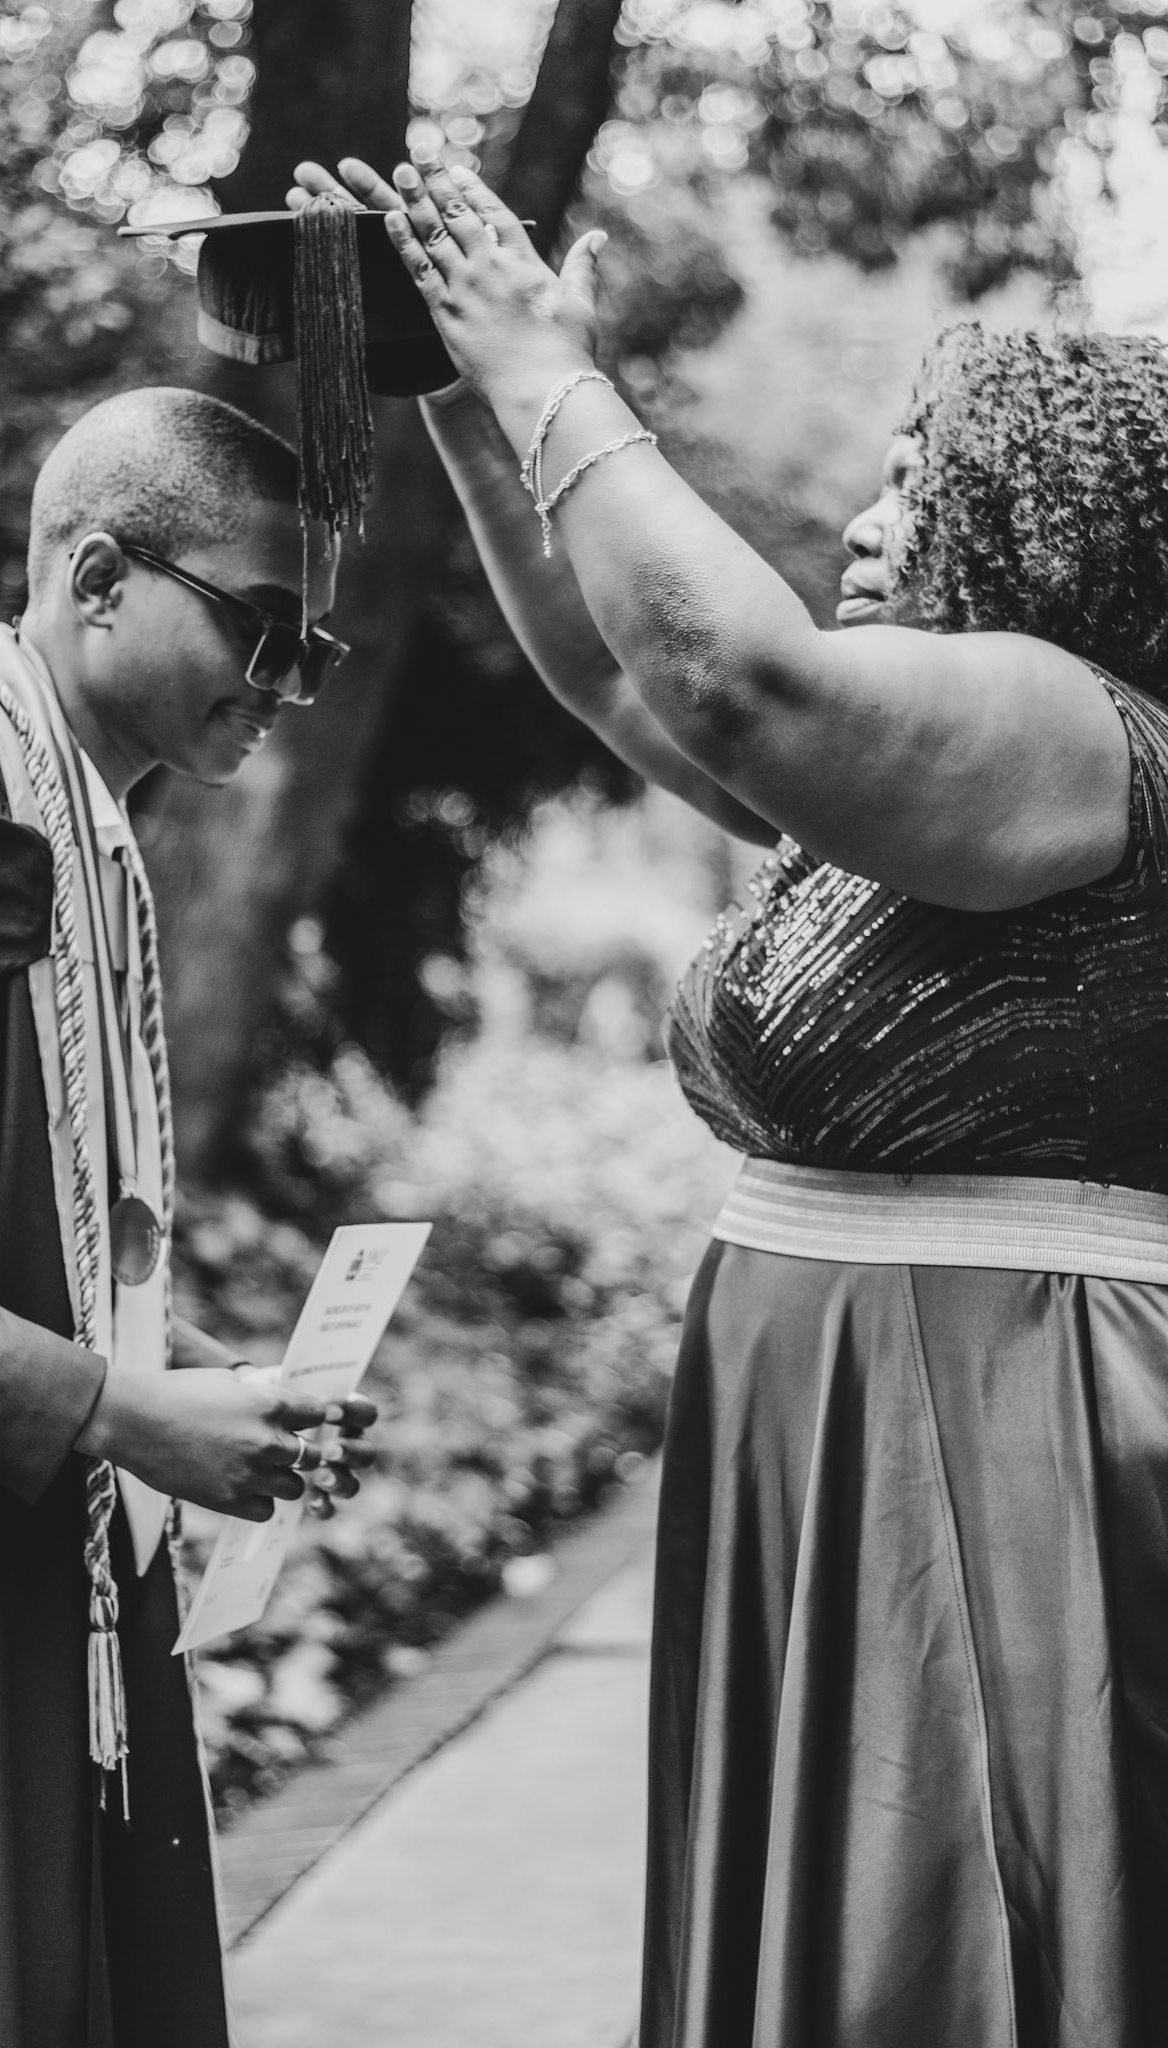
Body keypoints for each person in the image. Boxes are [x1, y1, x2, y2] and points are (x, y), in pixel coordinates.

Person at [289, 155, 1168, 2043]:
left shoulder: (1073, 727)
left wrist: (544, 363)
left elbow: (734, 677)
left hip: (991, 1410)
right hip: (840, 1391)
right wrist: (459, 392)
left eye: (917, 484)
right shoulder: (910, 788)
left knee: (956, 1925)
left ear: (1044, 525)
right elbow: (623, 671)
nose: (862, 518)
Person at [0, 385, 375, 2048]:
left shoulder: (94, 832)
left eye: (310, 651)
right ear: (101, 577)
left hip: (41, 1545)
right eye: (259, 629)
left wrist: (196, 1381)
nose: (283, 685)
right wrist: (114, 1411)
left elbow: (10, 1206)